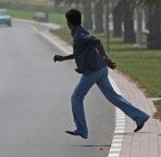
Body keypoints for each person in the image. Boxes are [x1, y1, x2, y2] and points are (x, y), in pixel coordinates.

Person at [54, 9, 149, 139]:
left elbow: (96, 41)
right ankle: (140, 117)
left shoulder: (79, 35)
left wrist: (105, 57)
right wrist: (64, 58)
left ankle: (81, 129)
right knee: (113, 96)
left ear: (69, 22)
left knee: (76, 97)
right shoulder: (79, 32)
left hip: (93, 71)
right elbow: (80, 53)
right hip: (100, 69)